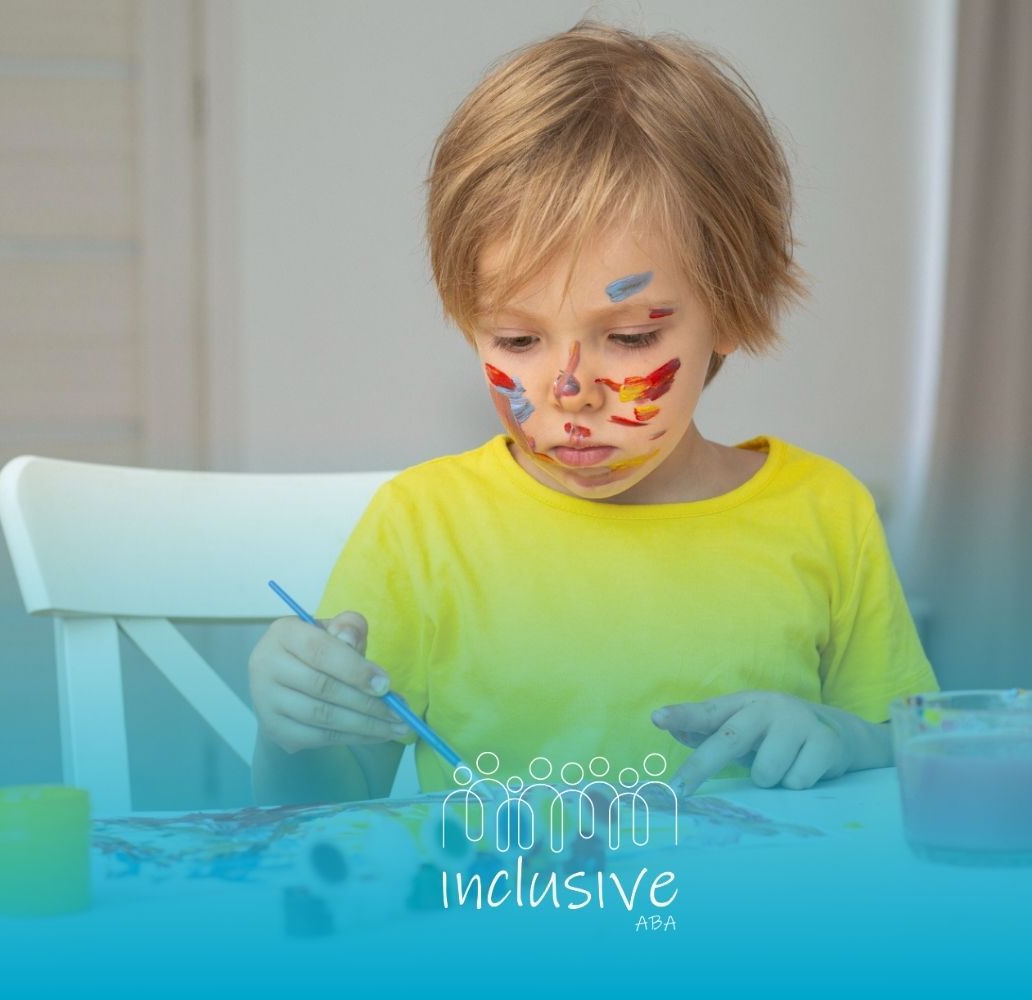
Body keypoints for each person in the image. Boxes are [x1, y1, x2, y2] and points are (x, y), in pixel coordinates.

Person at [248, 21, 938, 806]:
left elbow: (911, 768)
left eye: (631, 335)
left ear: (737, 309)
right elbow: (324, 814)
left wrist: (847, 740)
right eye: (517, 337)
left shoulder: (824, 515)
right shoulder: (422, 528)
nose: (568, 390)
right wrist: (291, 729)